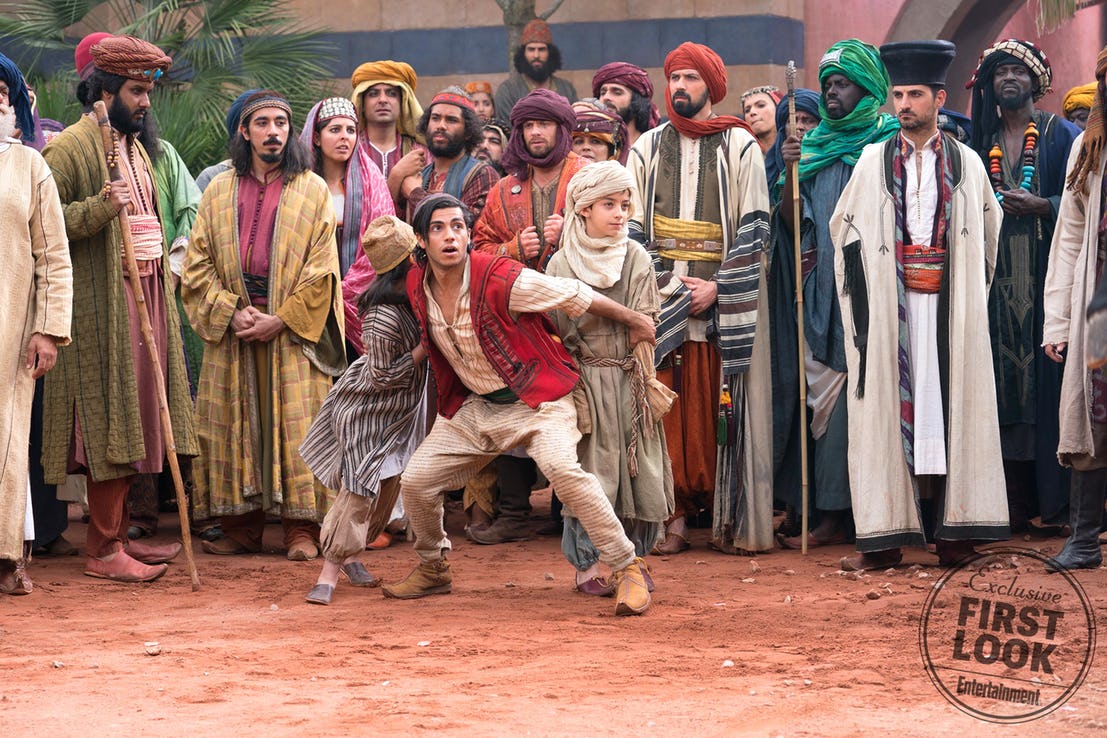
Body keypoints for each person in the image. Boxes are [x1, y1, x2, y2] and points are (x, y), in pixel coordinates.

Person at [380, 194, 654, 616]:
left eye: (457, 226)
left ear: (469, 235)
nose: (450, 236)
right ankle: (433, 567)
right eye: (437, 228)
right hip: (477, 408)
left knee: (564, 470)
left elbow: (572, 294)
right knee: (417, 481)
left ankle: (626, 565)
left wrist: (636, 320)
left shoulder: (501, 277)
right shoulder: (418, 283)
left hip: (539, 402)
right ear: (421, 240)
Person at [831, 40, 1008, 571]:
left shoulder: (968, 163)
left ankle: (956, 537)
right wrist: (871, 287)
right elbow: (845, 229)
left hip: (950, 309)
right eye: (898, 95)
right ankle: (883, 542)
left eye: (915, 95)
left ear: (939, 98)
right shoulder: (872, 161)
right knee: (887, 412)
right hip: (892, 309)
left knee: (952, 408)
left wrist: (967, 292)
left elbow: (989, 235)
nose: (904, 105)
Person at [41, 34, 198, 582]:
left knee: (142, 414)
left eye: (148, 90)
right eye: (136, 90)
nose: (146, 101)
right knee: (113, 419)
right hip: (105, 305)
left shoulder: (134, 146)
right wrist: (100, 207)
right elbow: (45, 225)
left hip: (148, 294)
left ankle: (121, 536)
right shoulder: (70, 148)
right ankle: (103, 549)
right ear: (104, 92)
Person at [182, 90, 345, 561]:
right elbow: (196, 264)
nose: (273, 132)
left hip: (289, 331)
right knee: (232, 429)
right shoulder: (218, 190)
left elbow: (323, 270)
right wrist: (231, 311)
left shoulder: (313, 189)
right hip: (236, 327)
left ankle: (301, 530)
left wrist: (281, 319)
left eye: (281, 123)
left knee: (298, 429)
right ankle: (242, 530)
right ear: (244, 131)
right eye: (262, 123)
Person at [627, 41, 773, 556]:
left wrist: (717, 288)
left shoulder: (741, 145)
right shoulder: (646, 147)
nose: (680, 87)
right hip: (662, 300)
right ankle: (672, 520)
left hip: (720, 301)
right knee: (665, 413)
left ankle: (726, 518)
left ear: (710, 87)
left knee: (718, 408)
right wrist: (667, 285)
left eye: (691, 78)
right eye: (675, 78)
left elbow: (755, 227)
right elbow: (631, 228)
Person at [773, 41, 900, 549]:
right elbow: (792, 224)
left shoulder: (889, 143)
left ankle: (866, 513)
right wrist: (790, 171)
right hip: (821, 295)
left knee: (870, 401)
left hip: (878, 293)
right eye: (826, 84)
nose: (830, 93)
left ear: (867, 88)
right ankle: (826, 512)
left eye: (841, 84)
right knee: (825, 402)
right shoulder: (813, 146)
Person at [967, 39, 1080, 534]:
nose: (1008, 78)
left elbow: (1085, 204)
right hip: (993, 291)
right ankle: (1010, 507)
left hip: (1047, 284)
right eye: (1000, 72)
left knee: (1050, 393)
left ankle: (1056, 506)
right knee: (998, 394)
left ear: (1036, 82)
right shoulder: (979, 145)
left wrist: (1044, 205)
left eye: (1018, 71)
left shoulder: (1064, 136)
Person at [547, 161, 674, 595]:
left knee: (640, 470)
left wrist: (642, 380)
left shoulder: (636, 257)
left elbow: (645, 325)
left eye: (624, 204)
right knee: (591, 472)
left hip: (630, 378)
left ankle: (632, 560)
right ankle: (586, 567)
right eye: (608, 204)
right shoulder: (561, 264)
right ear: (583, 208)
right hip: (584, 383)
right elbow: (555, 326)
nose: (620, 214)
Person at [469, 88, 590, 544]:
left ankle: (567, 511)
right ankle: (514, 511)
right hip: (520, 323)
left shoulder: (587, 176)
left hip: (579, 317)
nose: (536, 132)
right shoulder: (504, 189)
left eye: (545, 124)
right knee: (514, 405)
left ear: (563, 129)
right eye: (528, 126)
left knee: (579, 413)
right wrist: (513, 248)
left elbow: (621, 233)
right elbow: (478, 250)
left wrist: (572, 232)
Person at [300, 216, 429, 604]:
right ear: (408, 260)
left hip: (397, 413)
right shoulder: (383, 315)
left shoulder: (415, 297)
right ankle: (328, 572)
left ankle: (352, 556)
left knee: (386, 486)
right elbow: (384, 376)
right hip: (367, 412)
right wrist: (423, 350)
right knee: (359, 488)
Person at [0, 53, 73, 595]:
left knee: (6, 440)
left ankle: (6, 557)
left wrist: (47, 328)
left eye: (0, 95)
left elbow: (54, 256)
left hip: (11, 330)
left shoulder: (29, 166)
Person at [1042, 45, 1107, 572]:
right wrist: (1058, 322)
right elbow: (1068, 237)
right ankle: (1084, 540)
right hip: (1099, 302)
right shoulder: (1089, 148)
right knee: (1093, 415)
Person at [300, 96, 396, 356]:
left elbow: (383, 240)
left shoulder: (371, 180)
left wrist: (343, 293)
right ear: (316, 137)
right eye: (335, 130)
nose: (344, 137)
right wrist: (320, 295)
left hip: (361, 303)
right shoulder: (298, 185)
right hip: (307, 303)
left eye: (351, 130)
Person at [400, 87, 499, 220]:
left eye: (451, 120)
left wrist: (415, 194)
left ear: (468, 132)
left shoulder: (483, 175)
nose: (441, 125)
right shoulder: (420, 175)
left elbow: (464, 224)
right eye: (435, 118)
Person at [349, 60, 427, 206]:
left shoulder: (420, 153)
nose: (383, 100)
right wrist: (398, 174)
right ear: (362, 104)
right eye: (373, 94)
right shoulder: (350, 151)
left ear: (403, 103)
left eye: (391, 94)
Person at [493, 19, 577, 118]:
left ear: (550, 53)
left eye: (541, 49)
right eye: (531, 49)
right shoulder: (508, 91)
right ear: (523, 54)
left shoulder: (566, 89)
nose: (536, 55)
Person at [592, 62, 660, 149]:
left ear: (636, 102)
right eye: (603, 93)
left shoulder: (655, 148)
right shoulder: (590, 147)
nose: (606, 97)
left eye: (617, 93)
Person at [741, 85, 783, 154]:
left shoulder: (799, 149)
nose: (752, 112)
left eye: (761, 105)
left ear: (779, 109)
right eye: (747, 110)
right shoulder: (741, 154)